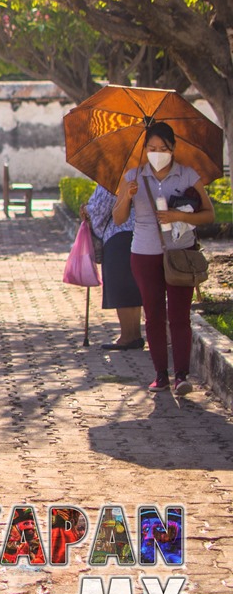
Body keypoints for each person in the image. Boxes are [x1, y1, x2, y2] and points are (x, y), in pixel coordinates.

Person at [113, 121, 214, 393]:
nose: (158, 153)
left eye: (164, 148)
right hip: (144, 253)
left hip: (181, 253)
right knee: (154, 315)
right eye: (152, 148)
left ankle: (181, 374)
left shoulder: (187, 175)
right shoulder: (134, 176)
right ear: (145, 148)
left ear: (173, 149)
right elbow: (118, 217)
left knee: (180, 316)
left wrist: (179, 216)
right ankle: (161, 374)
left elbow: (209, 214)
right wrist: (127, 196)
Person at [84, 184, 143, 350]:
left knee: (121, 288)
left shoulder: (115, 179)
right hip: (140, 234)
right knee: (132, 288)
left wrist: (86, 210)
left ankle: (127, 336)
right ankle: (134, 334)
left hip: (119, 235)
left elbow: (100, 209)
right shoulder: (142, 175)